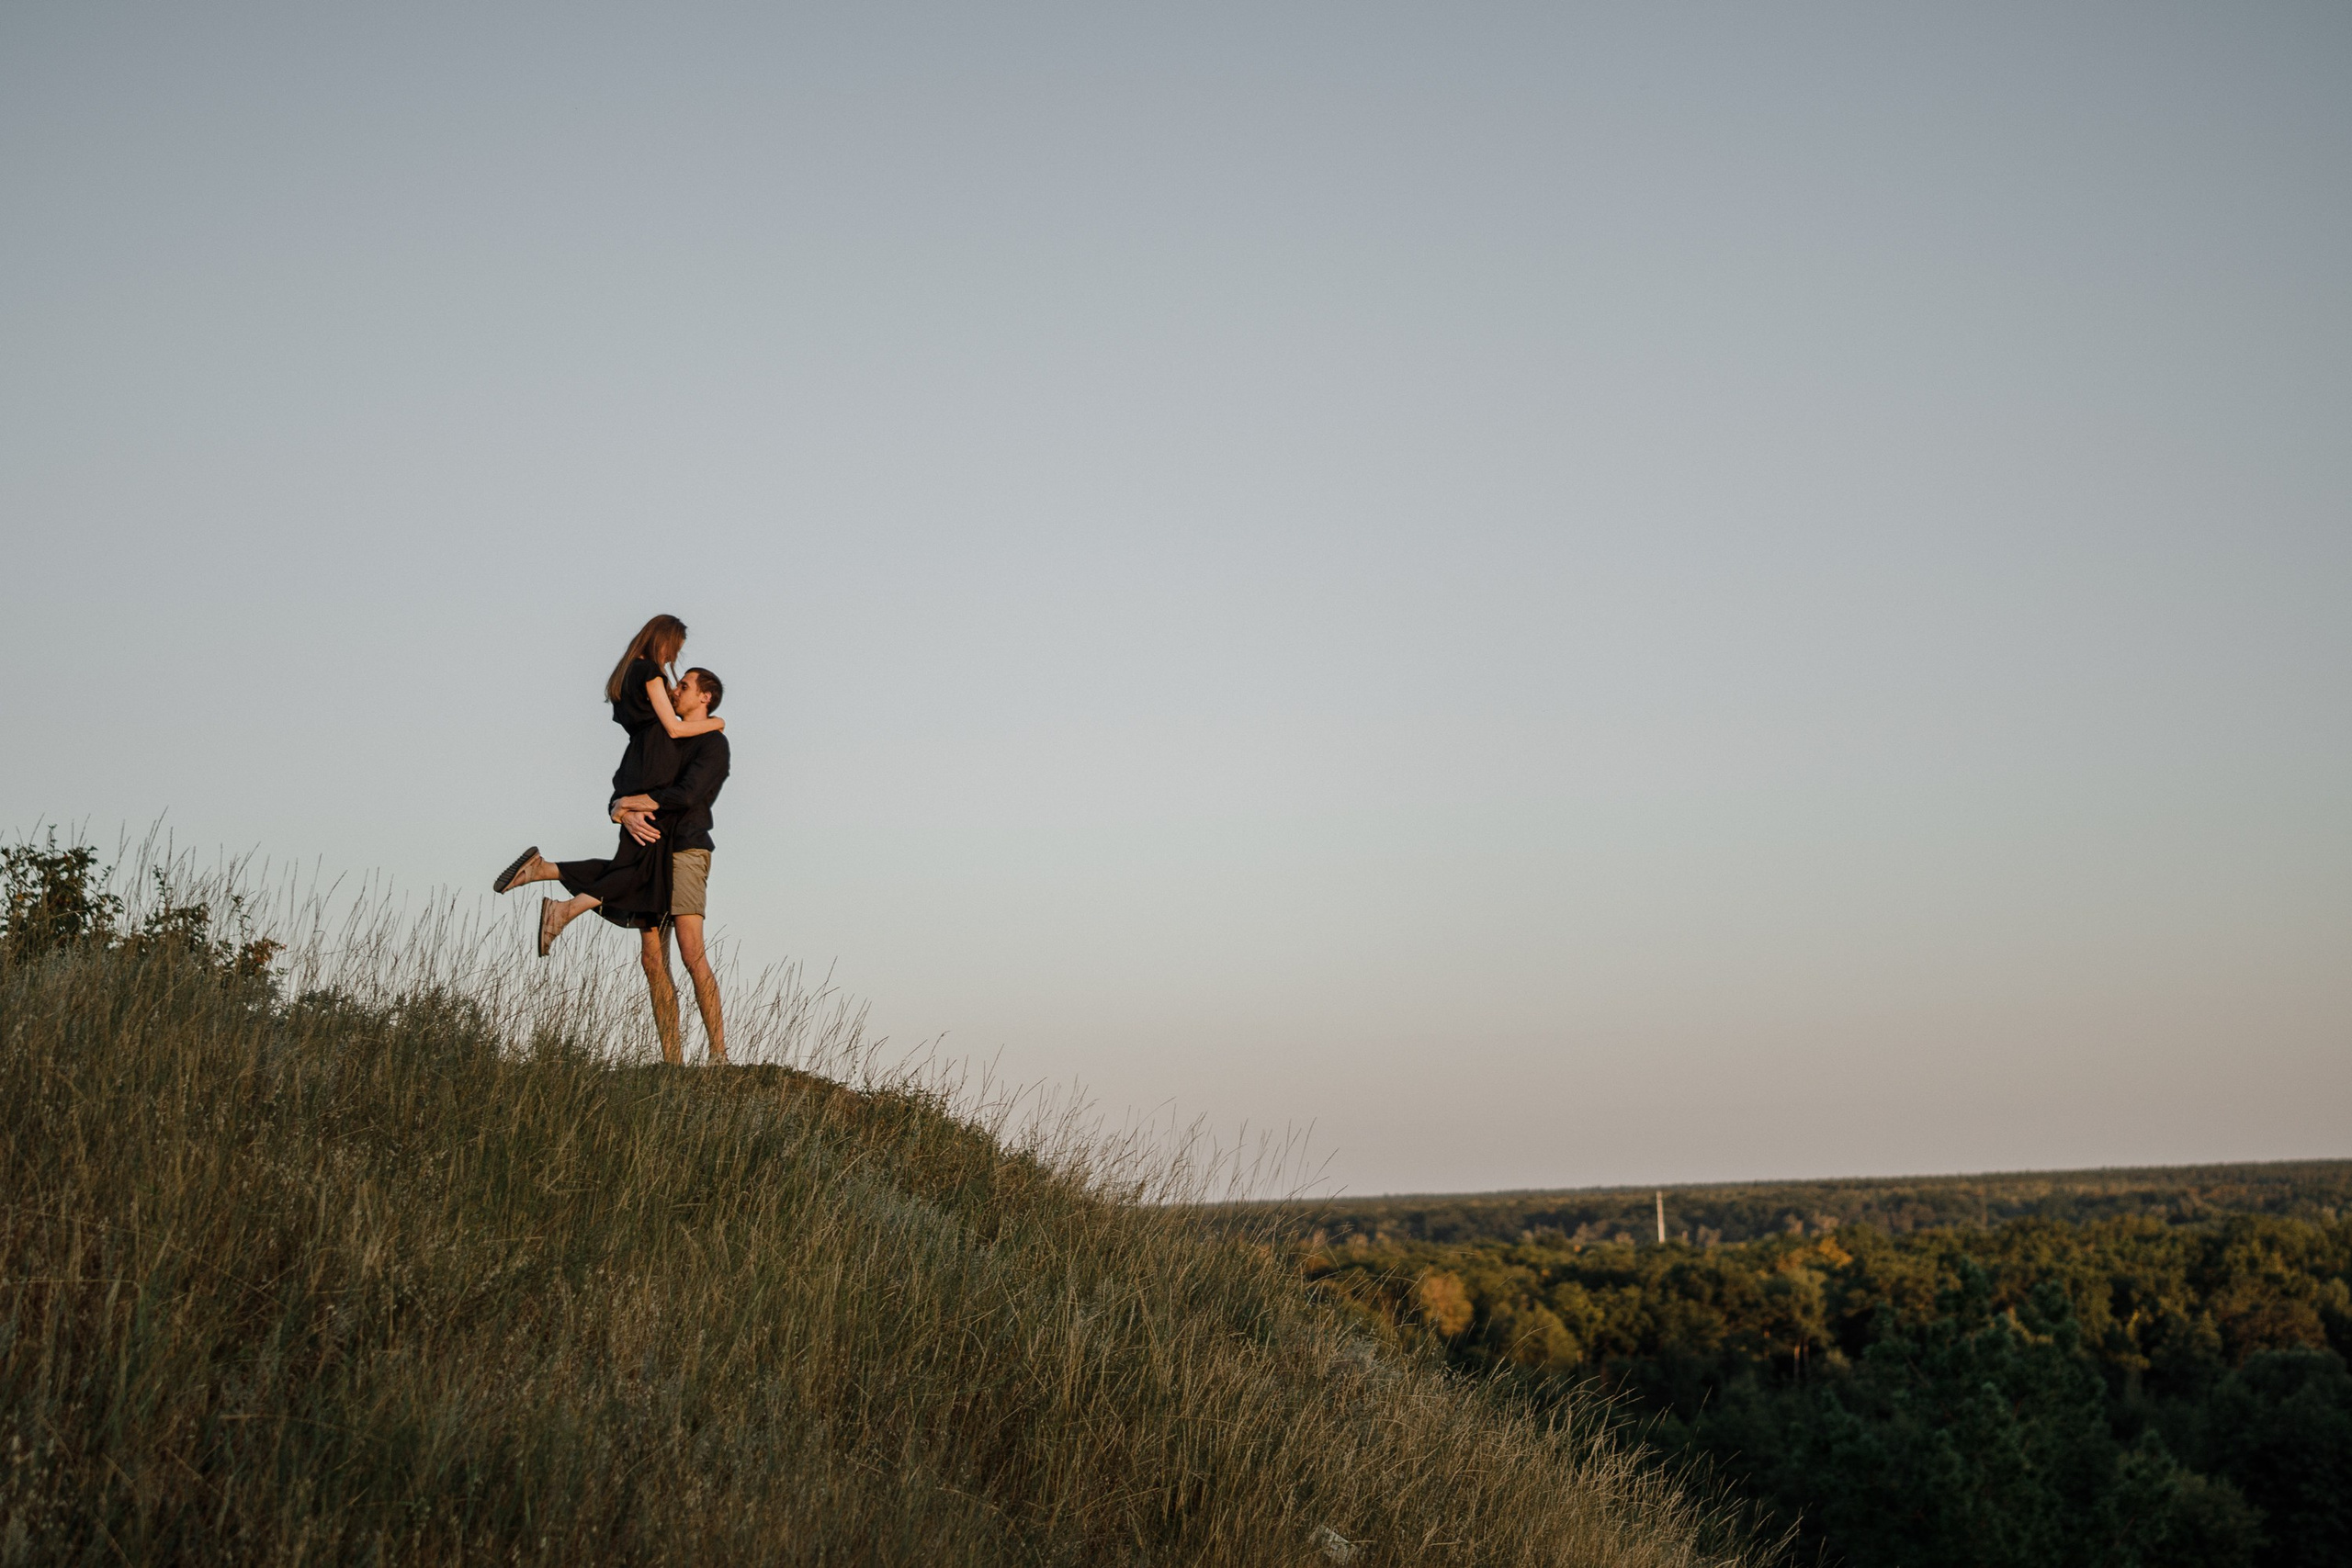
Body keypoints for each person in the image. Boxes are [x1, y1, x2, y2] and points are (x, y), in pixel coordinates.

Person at [492, 666, 733, 1063]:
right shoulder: (657, 735)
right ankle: (672, 1062)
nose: (675, 691)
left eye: (684, 686)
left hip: (685, 850)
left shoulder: (713, 743)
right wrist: (621, 809)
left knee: (692, 954)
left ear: (705, 697)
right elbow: (624, 786)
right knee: (652, 960)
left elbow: (687, 795)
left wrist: (628, 806)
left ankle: (718, 1055)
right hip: (648, 849)